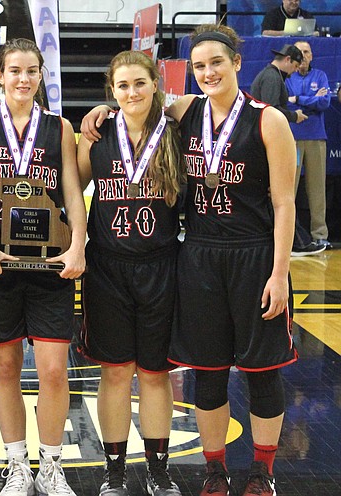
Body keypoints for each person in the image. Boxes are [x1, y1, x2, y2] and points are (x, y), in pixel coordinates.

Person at [82, 23, 298, 496]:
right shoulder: (183, 112)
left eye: (216, 62)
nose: (208, 72)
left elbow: (285, 203)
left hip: (253, 255)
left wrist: (280, 272)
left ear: (237, 63)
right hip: (197, 254)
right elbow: (134, 109)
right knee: (209, 369)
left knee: (262, 370)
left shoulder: (269, 120)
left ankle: (264, 472)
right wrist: (99, 112)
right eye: (199, 66)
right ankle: (214, 468)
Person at [0, 38, 86, 496]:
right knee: (6, 366)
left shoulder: (59, 127)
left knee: (54, 370)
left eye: (31, 71)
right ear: (0, 75)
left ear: (41, 75)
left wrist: (78, 247)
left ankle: (51, 465)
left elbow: (73, 193)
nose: (23, 79)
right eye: (14, 71)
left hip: (51, 264)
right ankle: (16, 464)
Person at [77, 50, 184, 496]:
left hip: (161, 265)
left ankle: (159, 470)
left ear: (154, 84)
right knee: (115, 371)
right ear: (111, 90)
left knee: (156, 373)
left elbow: (198, 101)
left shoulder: (176, 131)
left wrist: (176, 102)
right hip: (108, 266)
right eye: (122, 86)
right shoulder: (98, 133)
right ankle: (114, 469)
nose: (131, 92)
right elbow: (71, 184)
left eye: (139, 83)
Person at [250, 44, 324, 257]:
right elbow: (272, 109)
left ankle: (292, 241)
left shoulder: (268, 75)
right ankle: (296, 242)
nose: (294, 71)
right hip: (268, 141)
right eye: (295, 66)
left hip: (262, 139)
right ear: (289, 60)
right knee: (281, 194)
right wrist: (295, 115)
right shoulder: (273, 78)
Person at [286, 40, 332, 249]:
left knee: (317, 188)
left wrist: (299, 99)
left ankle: (319, 235)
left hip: (315, 138)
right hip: (292, 139)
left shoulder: (320, 76)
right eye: (299, 52)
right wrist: (310, 99)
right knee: (289, 189)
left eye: (307, 52)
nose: (303, 56)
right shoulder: (288, 78)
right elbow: (286, 103)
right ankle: (288, 236)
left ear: (312, 55)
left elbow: (325, 102)